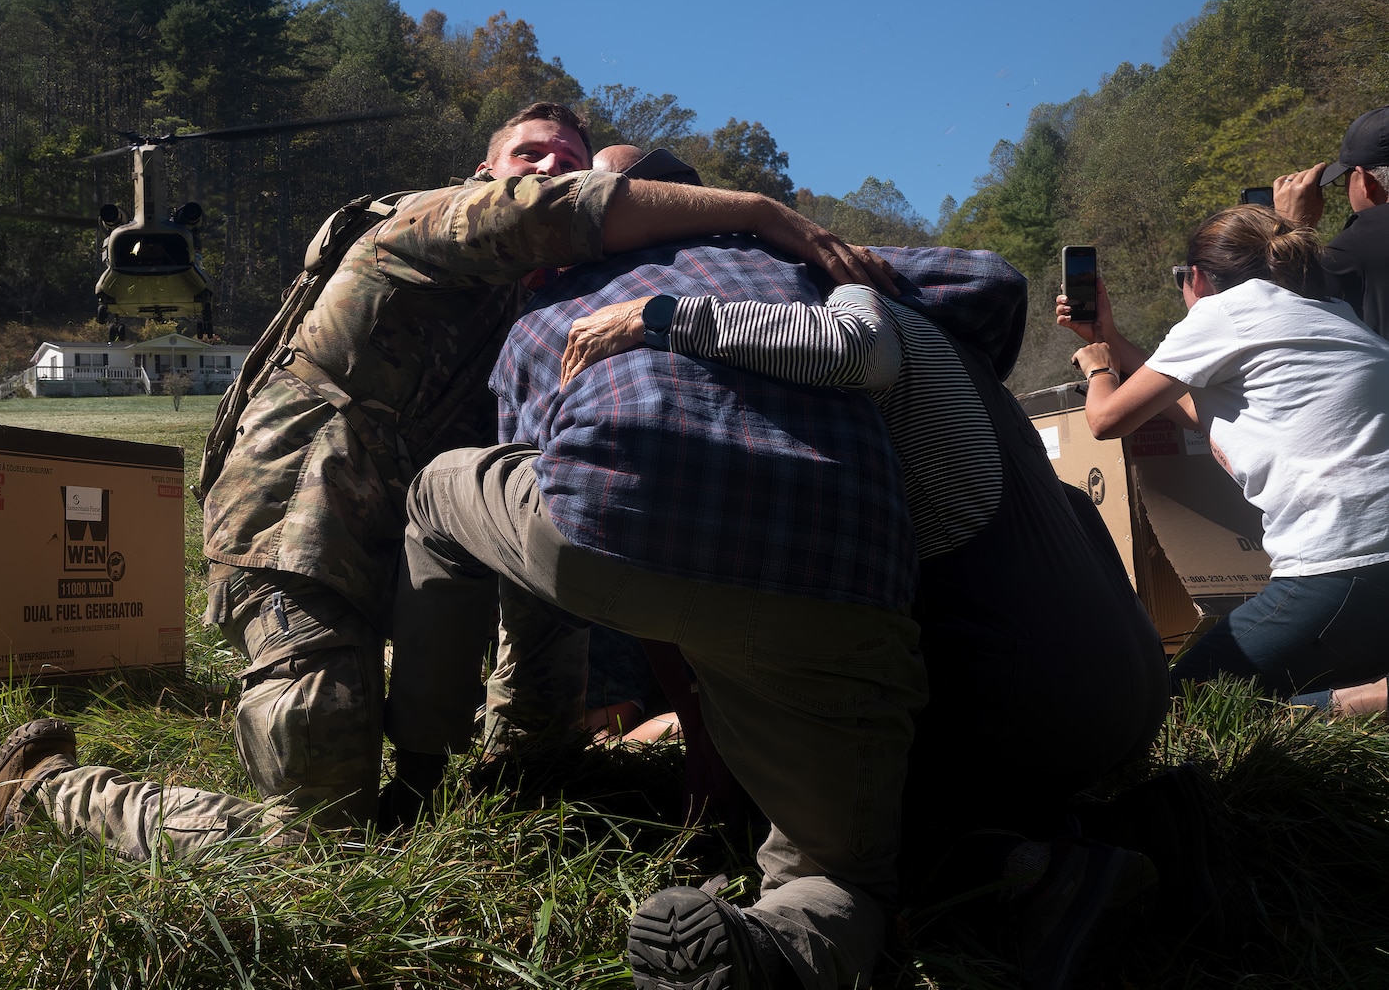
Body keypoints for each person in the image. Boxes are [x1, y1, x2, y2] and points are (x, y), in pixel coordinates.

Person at [0, 103, 896, 860]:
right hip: (304, 533)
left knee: (539, 729)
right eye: (532, 154)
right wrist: (768, 213)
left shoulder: (540, 311)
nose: (552, 168)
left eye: (568, 156)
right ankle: (45, 787)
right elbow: (550, 212)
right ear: (485, 171)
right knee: (317, 841)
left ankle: (504, 769)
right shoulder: (426, 225)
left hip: (424, 552)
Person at [559, 246, 1172, 987]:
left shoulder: (860, 303)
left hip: (1026, 703)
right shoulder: (968, 367)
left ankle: (1042, 877)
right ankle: (1148, 825)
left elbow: (852, 347)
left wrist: (656, 316)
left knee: (849, 805)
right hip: (1131, 693)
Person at [384, 228, 927, 989]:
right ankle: (775, 947)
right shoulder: (798, 273)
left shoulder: (546, 306)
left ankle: (417, 775)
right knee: (841, 873)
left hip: (615, 534)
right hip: (844, 575)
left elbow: (544, 472)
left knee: (438, 488)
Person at [1059, 204, 1389, 699]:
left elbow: (1106, 420)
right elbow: (1202, 412)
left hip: (1343, 563)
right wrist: (1111, 341)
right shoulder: (1333, 315)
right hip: (1371, 566)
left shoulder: (1225, 311)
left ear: (1196, 278)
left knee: (1178, 705)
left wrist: (1097, 367)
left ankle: (1369, 699)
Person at [1274, 104, 1389, 337]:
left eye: (1345, 179)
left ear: (1368, 183)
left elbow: (1282, 317)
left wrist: (1290, 226)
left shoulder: (1356, 248)